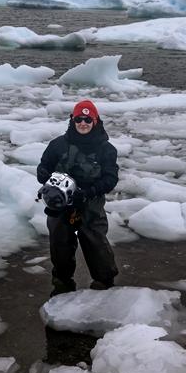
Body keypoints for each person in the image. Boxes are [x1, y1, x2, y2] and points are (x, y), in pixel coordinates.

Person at [36, 99, 119, 295]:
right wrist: (43, 173)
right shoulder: (57, 145)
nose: (83, 123)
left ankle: (104, 283)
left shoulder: (106, 149)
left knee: (95, 243)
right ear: (72, 120)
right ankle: (62, 283)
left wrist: (88, 192)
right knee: (59, 243)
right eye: (79, 119)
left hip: (90, 203)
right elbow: (44, 166)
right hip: (60, 204)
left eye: (88, 120)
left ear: (95, 121)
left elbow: (110, 179)